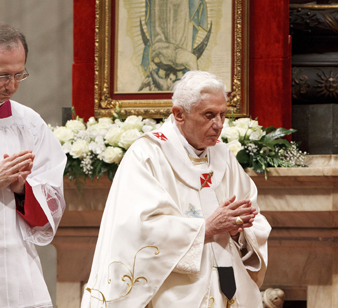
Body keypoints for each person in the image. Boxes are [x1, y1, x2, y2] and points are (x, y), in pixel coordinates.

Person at [82, 70, 271, 307]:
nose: (219, 125)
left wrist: (239, 231)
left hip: (232, 289)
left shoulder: (224, 156)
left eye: (223, 114)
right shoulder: (148, 155)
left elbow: (252, 217)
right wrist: (206, 227)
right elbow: (136, 230)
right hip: (176, 293)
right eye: (209, 115)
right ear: (179, 114)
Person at [0, 23, 66, 308]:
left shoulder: (29, 122)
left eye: (20, 75)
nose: (12, 85)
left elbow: (50, 199)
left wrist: (22, 190)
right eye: (2, 76)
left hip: (18, 263)